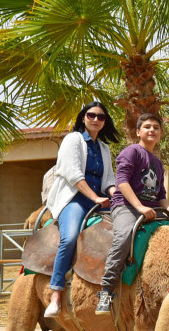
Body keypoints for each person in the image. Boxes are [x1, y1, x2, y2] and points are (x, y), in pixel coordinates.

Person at [95, 113, 169, 315]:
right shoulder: (131, 152)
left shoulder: (158, 163)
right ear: (138, 132)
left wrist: (168, 208)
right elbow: (122, 182)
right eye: (147, 127)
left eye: (156, 128)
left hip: (152, 209)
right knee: (124, 236)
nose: (152, 130)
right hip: (126, 207)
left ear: (160, 133)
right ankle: (106, 290)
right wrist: (139, 207)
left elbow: (160, 194)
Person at [43, 102, 120, 317]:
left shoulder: (104, 148)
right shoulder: (73, 140)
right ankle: (56, 294)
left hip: (99, 202)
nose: (96, 119)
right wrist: (95, 197)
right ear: (83, 117)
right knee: (69, 238)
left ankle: (108, 289)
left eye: (101, 117)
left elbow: (109, 180)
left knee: (124, 231)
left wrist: (117, 196)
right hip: (74, 200)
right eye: (91, 115)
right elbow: (73, 174)